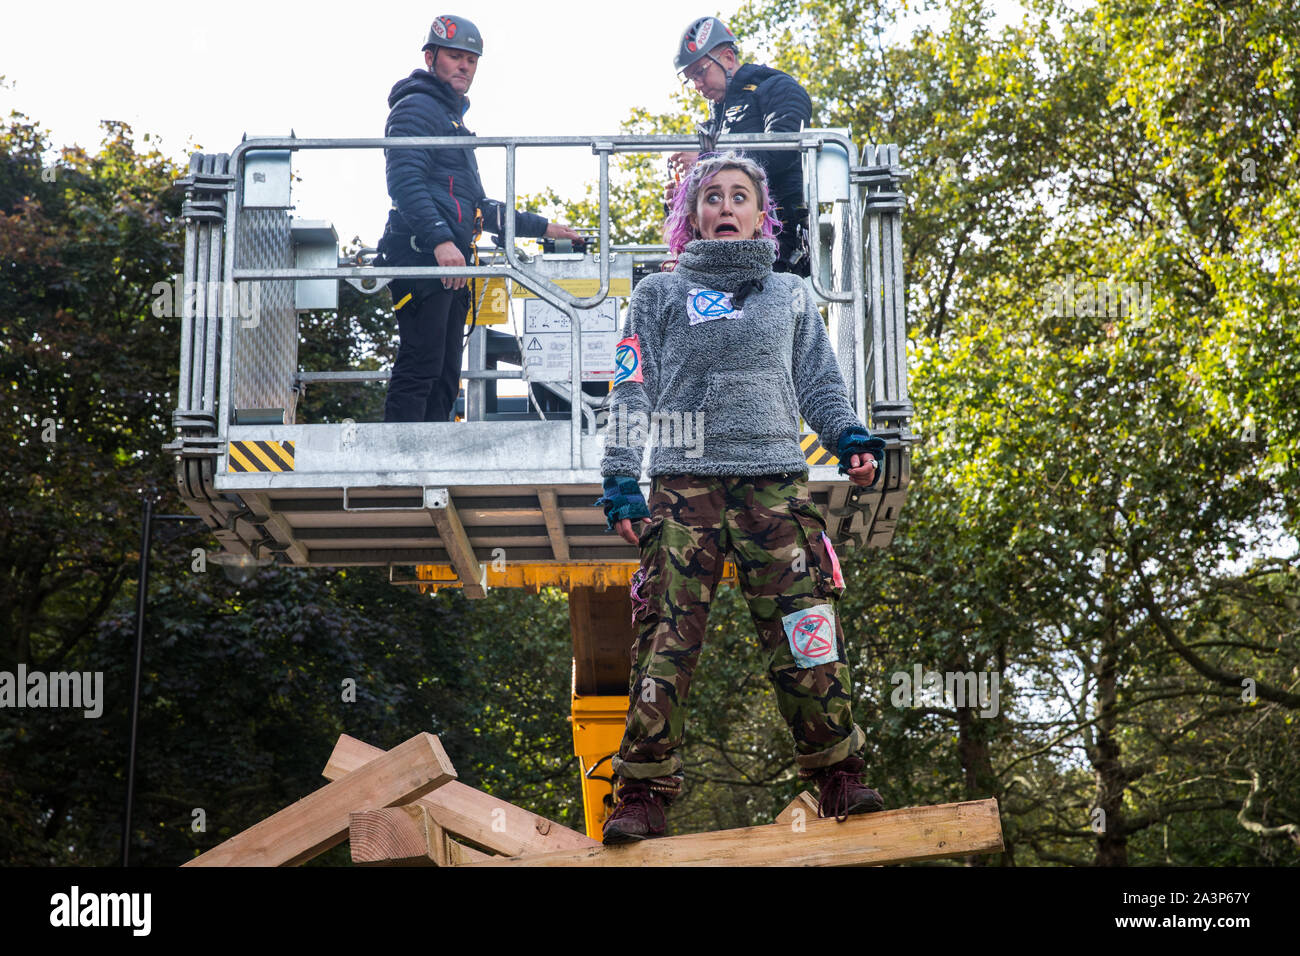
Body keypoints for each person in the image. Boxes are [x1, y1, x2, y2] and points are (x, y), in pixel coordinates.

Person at [594, 152, 888, 844]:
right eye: (712, 197)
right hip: (682, 489)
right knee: (665, 637)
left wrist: (848, 439)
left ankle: (838, 774)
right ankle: (640, 794)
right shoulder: (658, 295)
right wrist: (619, 479)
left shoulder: (789, 294)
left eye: (740, 197)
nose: (725, 207)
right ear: (690, 217)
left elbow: (819, 382)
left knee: (805, 628)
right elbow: (631, 388)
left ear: (762, 214)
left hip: (776, 484)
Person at [377, 15, 580, 423]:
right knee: (422, 367)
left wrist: (542, 227)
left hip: (450, 263)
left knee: (446, 377)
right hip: (423, 258)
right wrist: (439, 241)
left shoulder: (451, 118)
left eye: (472, 60)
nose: (465, 67)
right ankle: (398, 469)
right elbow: (403, 181)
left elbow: (476, 209)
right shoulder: (417, 107)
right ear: (430, 57)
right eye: (455, 57)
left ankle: (431, 464)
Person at [668, 15, 813, 276]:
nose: (698, 86)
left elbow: (783, 151)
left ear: (728, 58)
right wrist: (677, 196)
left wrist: (702, 159)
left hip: (781, 235)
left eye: (700, 72)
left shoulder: (776, 87)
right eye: (691, 80)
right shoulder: (712, 123)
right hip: (722, 247)